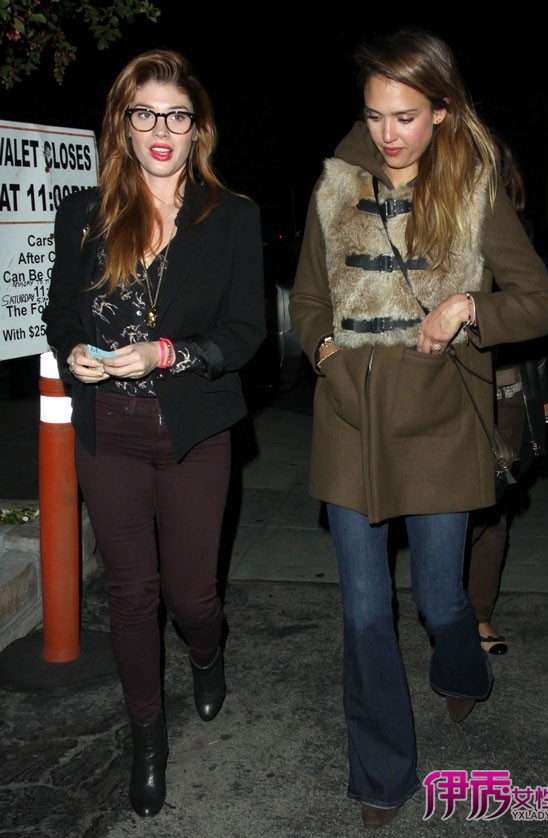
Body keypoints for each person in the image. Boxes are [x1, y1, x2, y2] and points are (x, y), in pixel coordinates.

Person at [288, 27, 548, 830]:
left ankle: (464, 670)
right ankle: (382, 774)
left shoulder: (473, 187)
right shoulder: (335, 186)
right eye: (375, 114)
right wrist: (326, 352)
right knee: (365, 612)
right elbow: (308, 300)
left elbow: (540, 302)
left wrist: (470, 306)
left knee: (441, 599)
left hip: (441, 423)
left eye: (405, 116)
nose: (387, 133)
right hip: (351, 419)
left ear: (441, 110)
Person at [42, 50, 265, 818]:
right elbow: (61, 309)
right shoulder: (85, 213)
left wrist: (168, 353)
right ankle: (147, 740)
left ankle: (207, 649)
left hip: (194, 430)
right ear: (123, 123)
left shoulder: (230, 216)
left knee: (191, 595)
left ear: (197, 127)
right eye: (145, 113)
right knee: (132, 595)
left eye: (176, 115)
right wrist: (73, 350)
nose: (161, 129)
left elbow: (245, 334)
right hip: (109, 430)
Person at [467, 139, 548, 655]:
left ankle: (479, 615)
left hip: (507, 391)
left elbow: (539, 321)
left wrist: (541, 393)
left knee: (494, 510)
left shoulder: (517, 231)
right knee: (447, 512)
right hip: (452, 390)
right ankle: (447, 611)